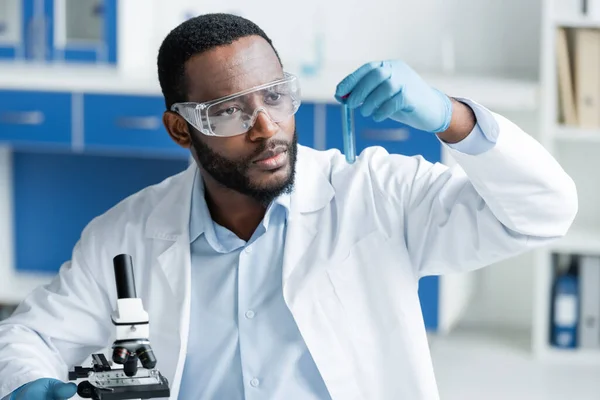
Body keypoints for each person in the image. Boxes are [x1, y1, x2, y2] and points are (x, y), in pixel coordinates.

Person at [0, 12, 577, 400]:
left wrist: (454, 118)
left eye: (276, 95)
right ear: (181, 128)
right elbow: (26, 338)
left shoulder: (373, 195)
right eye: (228, 110)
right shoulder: (125, 234)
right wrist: (30, 385)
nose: (266, 127)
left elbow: (544, 210)